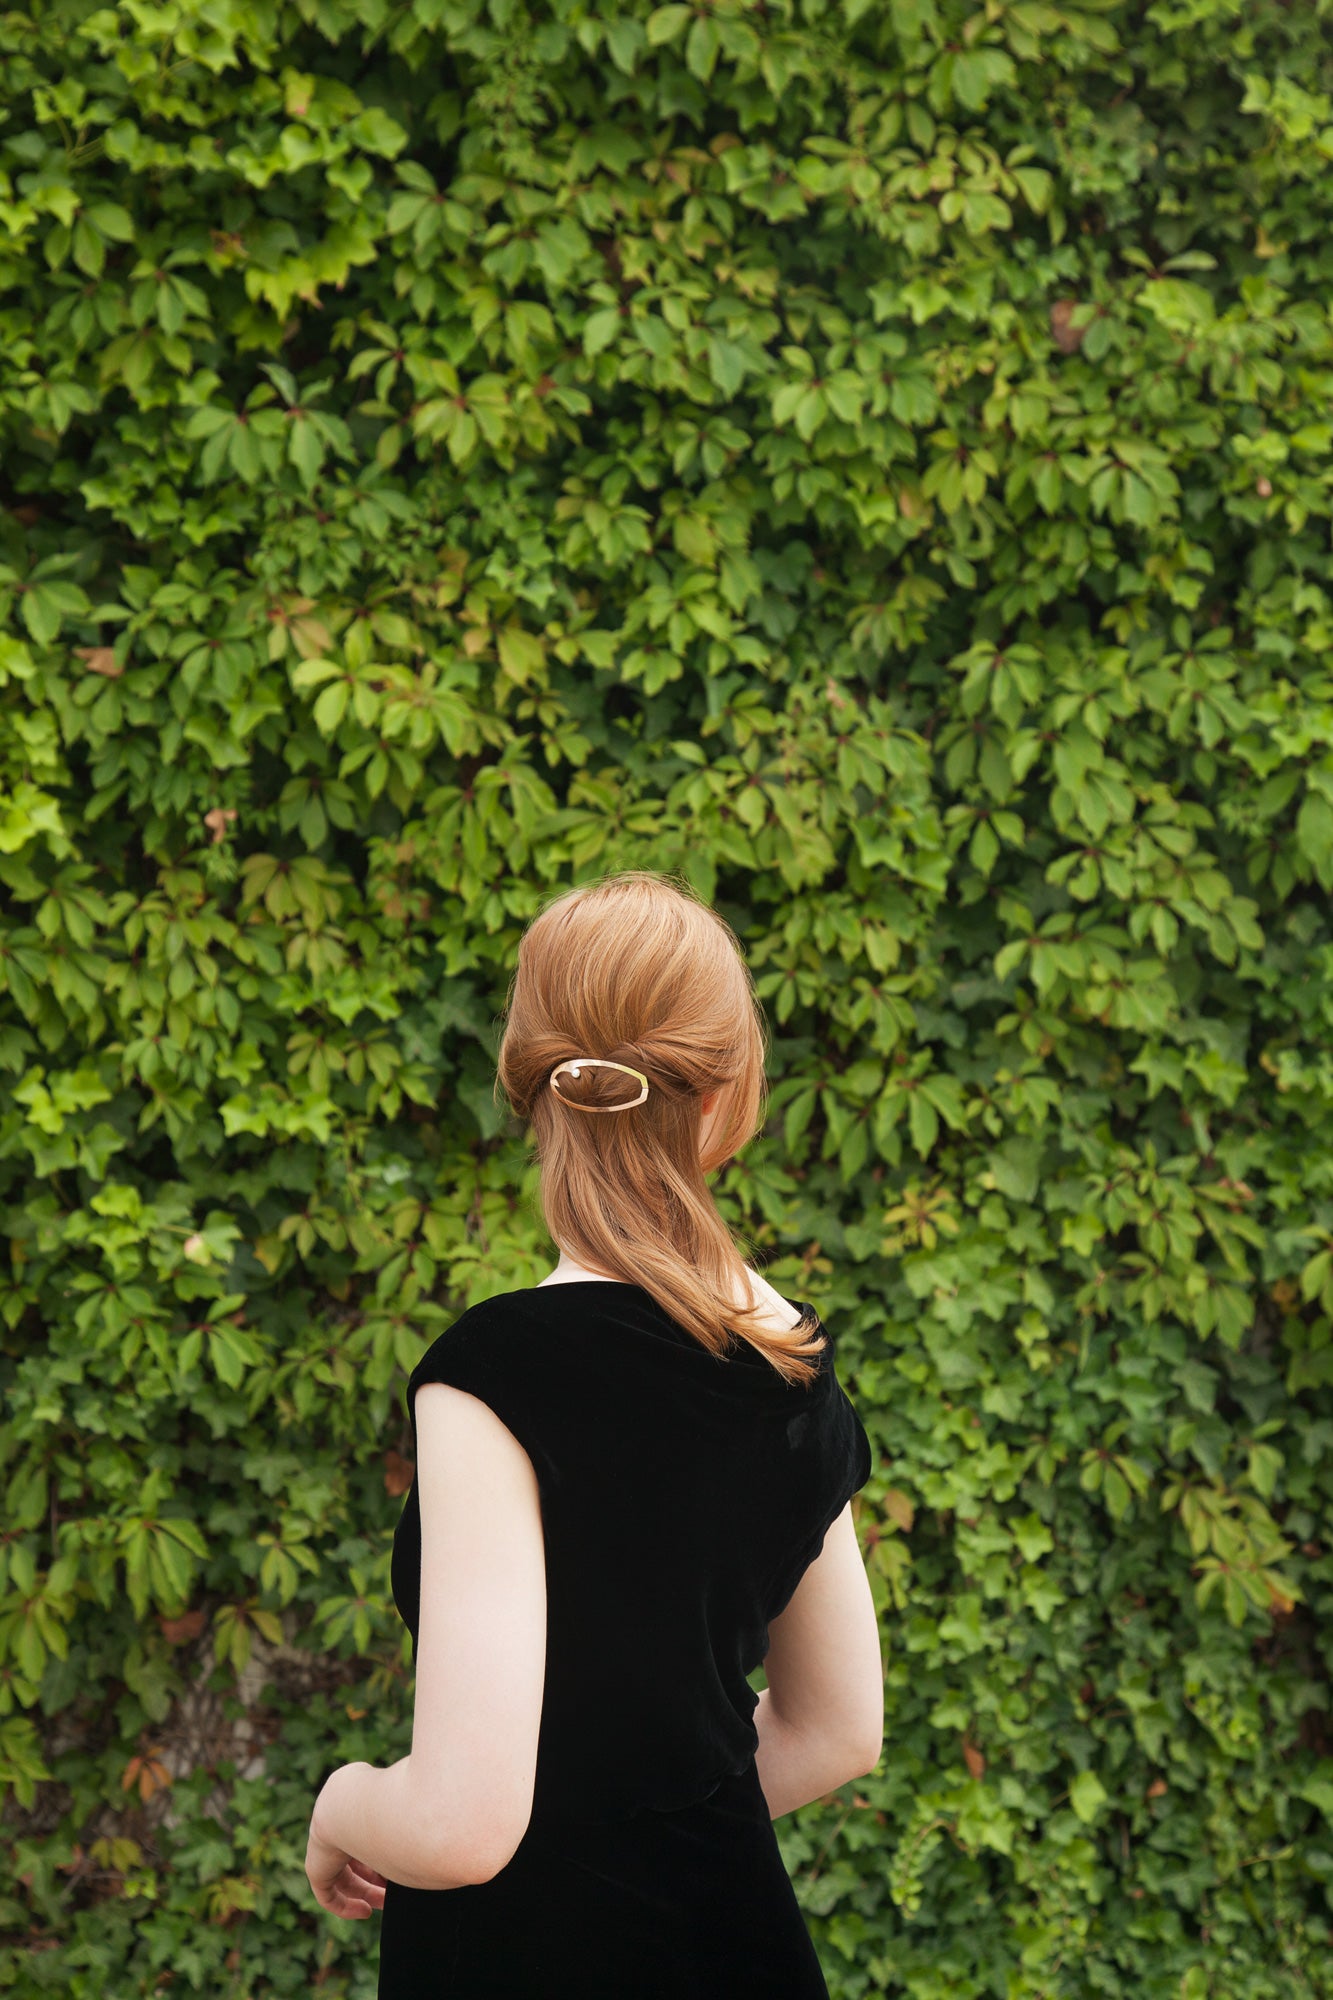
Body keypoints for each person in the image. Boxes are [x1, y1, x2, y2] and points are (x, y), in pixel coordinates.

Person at [305, 870, 883, 1998]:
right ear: (727, 1095)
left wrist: (342, 1800)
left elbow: (465, 1823)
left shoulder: (496, 1372)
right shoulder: (787, 1358)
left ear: (530, 1084)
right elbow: (836, 1729)